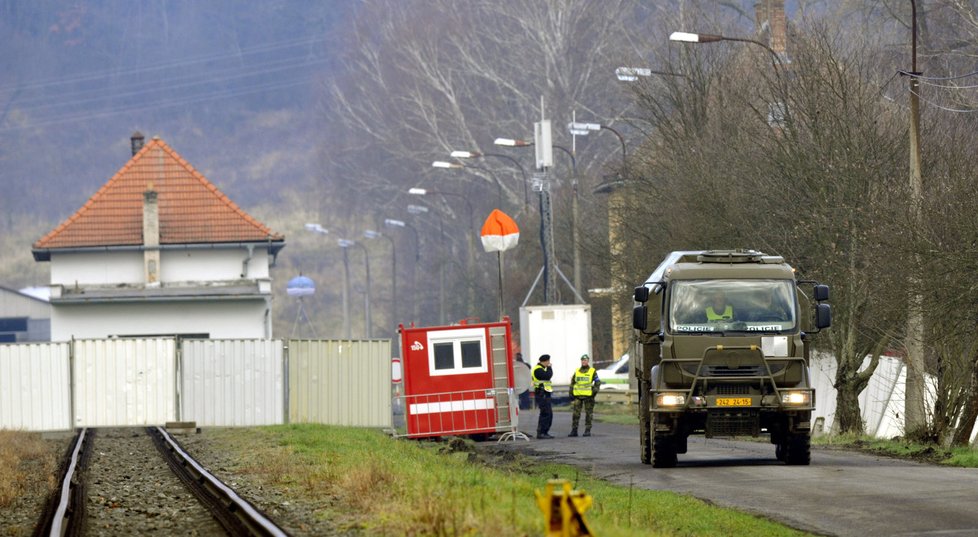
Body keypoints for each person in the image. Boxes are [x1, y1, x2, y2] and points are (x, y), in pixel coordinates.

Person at [569, 354, 600, 437]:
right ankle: (574, 430)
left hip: (588, 396)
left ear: (588, 361)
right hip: (578, 396)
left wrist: (594, 392)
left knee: (588, 413)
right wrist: (571, 392)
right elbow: (572, 382)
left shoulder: (592, 371)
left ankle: (587, 430)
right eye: (582, 360)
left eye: (585, 360)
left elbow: (597, 382)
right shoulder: (577, 371)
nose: (584, 361)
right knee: (575, 414)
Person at [532, 354, 554, 439]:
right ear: (544, 361)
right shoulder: (538, 370)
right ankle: (541, 432)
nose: (549, 363)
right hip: (541, 394)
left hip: (545, 393)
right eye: (548, 361)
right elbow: (548, 376)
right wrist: (549, 368)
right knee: (545, 413)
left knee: (548, 413)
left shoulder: (541, 369)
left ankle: (545, 432)